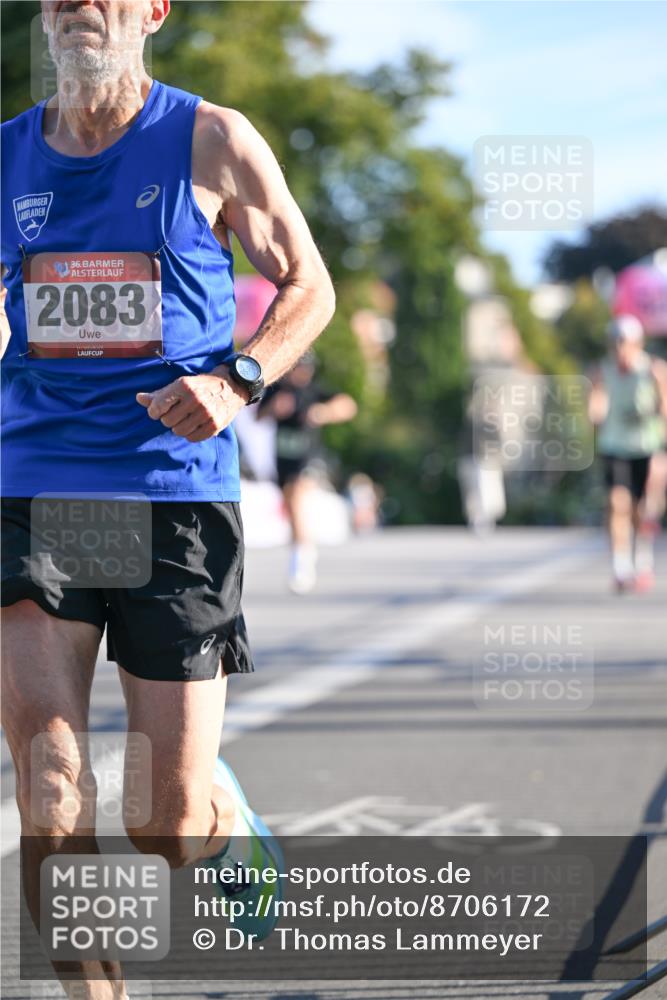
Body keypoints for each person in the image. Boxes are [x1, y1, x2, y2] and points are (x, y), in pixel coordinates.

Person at [0, 2, 335, 997]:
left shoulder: (212, 138)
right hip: (36, 487)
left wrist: (238, 376)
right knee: (52, 789)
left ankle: (221, 826)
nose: (77, 3)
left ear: (152, 10)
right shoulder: (7, 155)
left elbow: (307, 286)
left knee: (166, 821)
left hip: (174, 496)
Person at [258, 353, 357, 593]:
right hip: (284, 460)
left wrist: (324, 412)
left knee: (297, 497)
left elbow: (347, 405)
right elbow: (259, 416)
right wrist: (274, 410)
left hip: (309, 459)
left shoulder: (314, 391)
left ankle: (301, 560)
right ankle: (302, 549)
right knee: (292, 507)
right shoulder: (277, 390)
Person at [588, 315, 667, 592]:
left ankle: (642, 563)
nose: (619, 348)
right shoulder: (603, 370)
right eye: (615, 342)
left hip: (646, 448)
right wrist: (595, 411)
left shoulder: (654, 370)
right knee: (616, 503)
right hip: (615, 447)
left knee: (641, 511)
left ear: (637, 343)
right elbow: (596, 403)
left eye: (624, 342)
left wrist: (661, 454)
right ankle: (621, 569)